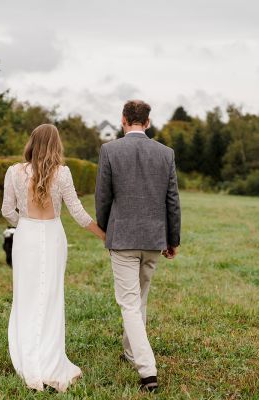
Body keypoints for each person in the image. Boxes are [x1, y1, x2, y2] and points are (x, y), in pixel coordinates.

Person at [1, 124, 105, 392]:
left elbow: (6, 210)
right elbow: (79, 215)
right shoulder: (63, 174)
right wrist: (104, 236)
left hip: (26, 237)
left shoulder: (13, 172)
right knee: (50, 297)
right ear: (56, 145)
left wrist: (23, 223)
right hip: (53, 237)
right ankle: (48, 360)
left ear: (31, 143)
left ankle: (28, 359)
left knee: (25, 296)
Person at [95, 99, 181, 392]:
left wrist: (107, 228)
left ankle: (148, 372)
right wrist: (173, 239)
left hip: (123, 239)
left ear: (122, 120)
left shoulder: (109, 150)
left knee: (129, 304)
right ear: (147, 122)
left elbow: (103, 197)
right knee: (139, 298)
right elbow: (172, 201)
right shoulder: (166, 153)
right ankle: (131, 351)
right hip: (153, 239)